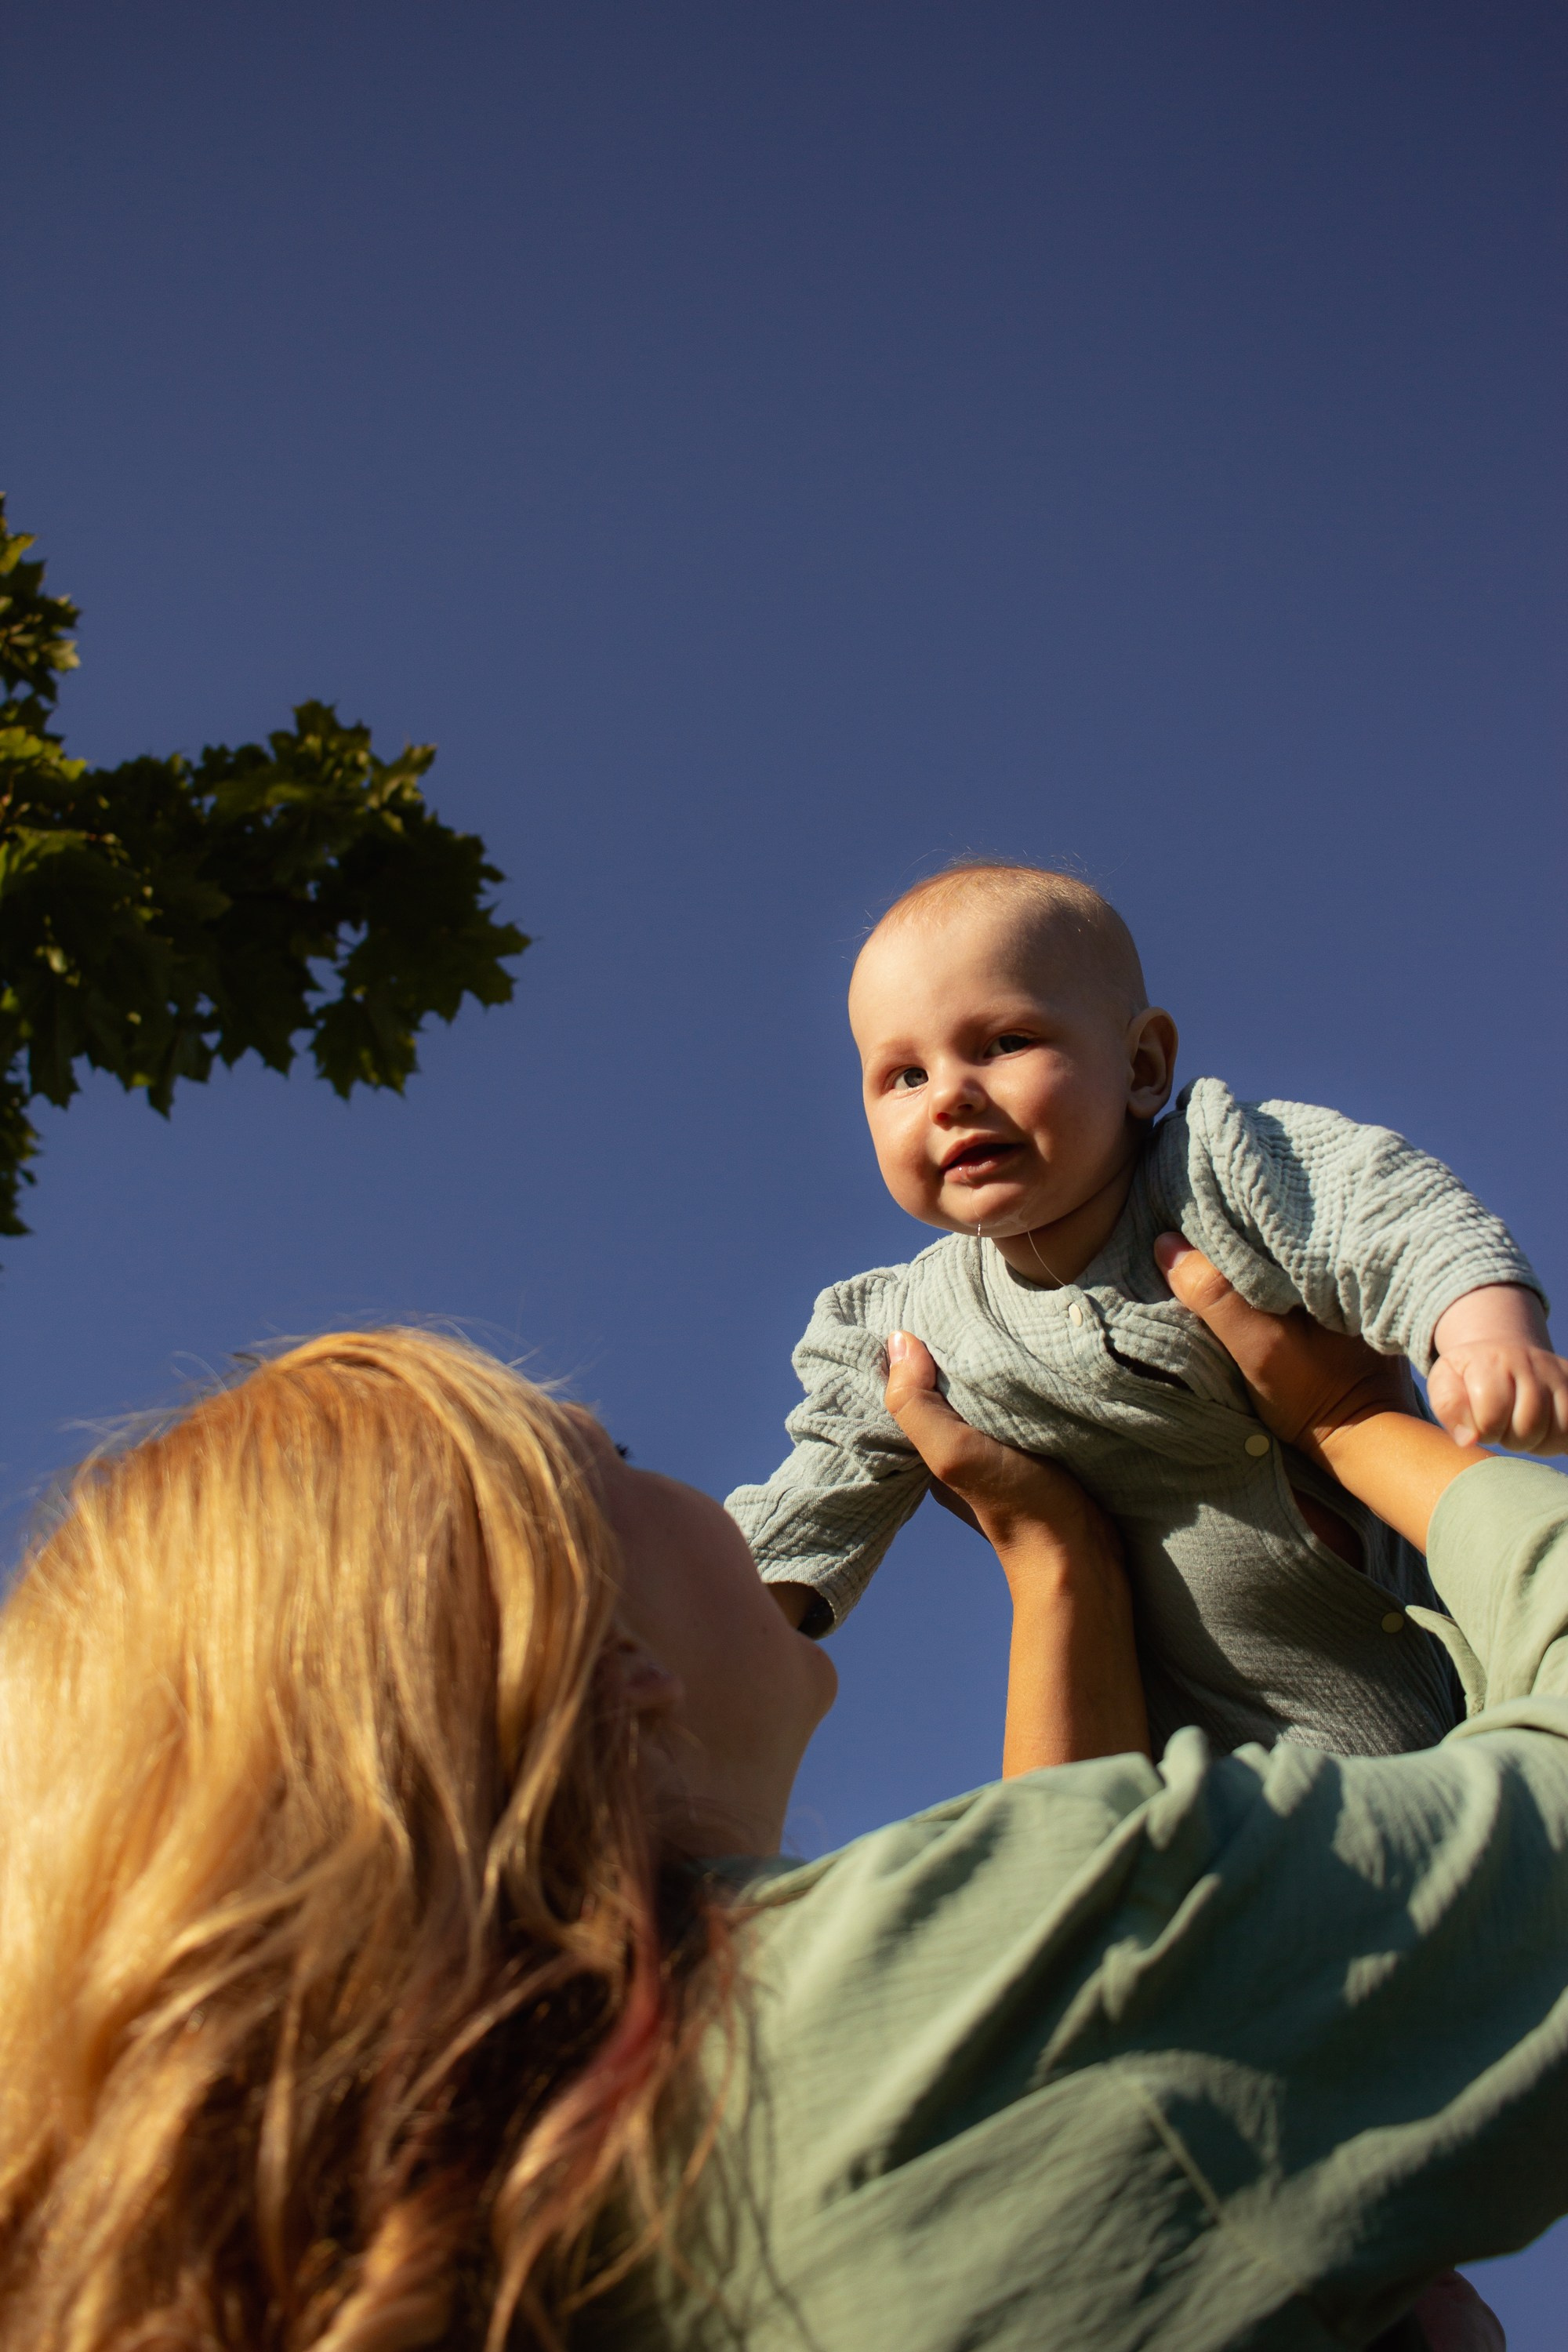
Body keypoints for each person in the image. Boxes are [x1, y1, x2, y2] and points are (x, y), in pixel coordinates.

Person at [0, 1254, 1560, 2347]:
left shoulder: (425, 2209)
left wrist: (1054, 1565)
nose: (711, 1494)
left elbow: (1040, 2023)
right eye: (609, 1460)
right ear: (609, 1665)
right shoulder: (945, 2006)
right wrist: (1359, 1429)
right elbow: (1039, 1985)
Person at [727, 861, 1568, 1755]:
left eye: (1004, 1042)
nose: (948, 1095)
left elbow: (1380, 1210)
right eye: (900, 1075)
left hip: (1483, 1657)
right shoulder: (908, 1325)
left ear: (1139, 1064)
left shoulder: (1218, 1168)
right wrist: (733, 1624)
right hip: (1250, 1758)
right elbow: (821, 1485)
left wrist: (1481, 1329)